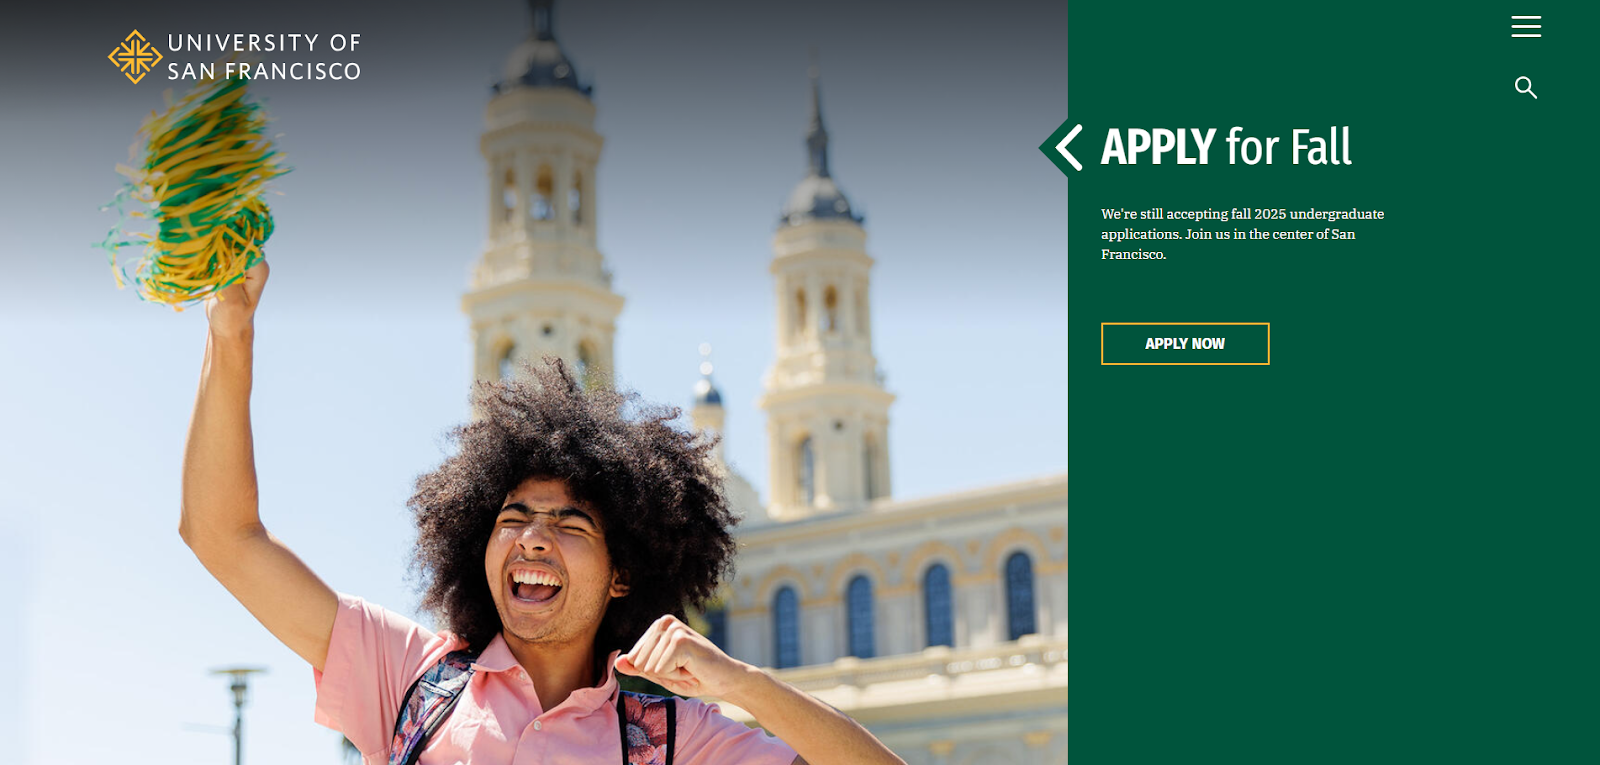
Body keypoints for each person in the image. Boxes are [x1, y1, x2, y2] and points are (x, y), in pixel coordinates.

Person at [179, 260, 906, 765]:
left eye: (569, 524)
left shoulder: (669, 739)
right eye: (513, 516)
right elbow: (222, 535)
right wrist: (230, 334)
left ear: (623, 574)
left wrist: (741, 684)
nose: (531, 537)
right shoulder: (408, 677)